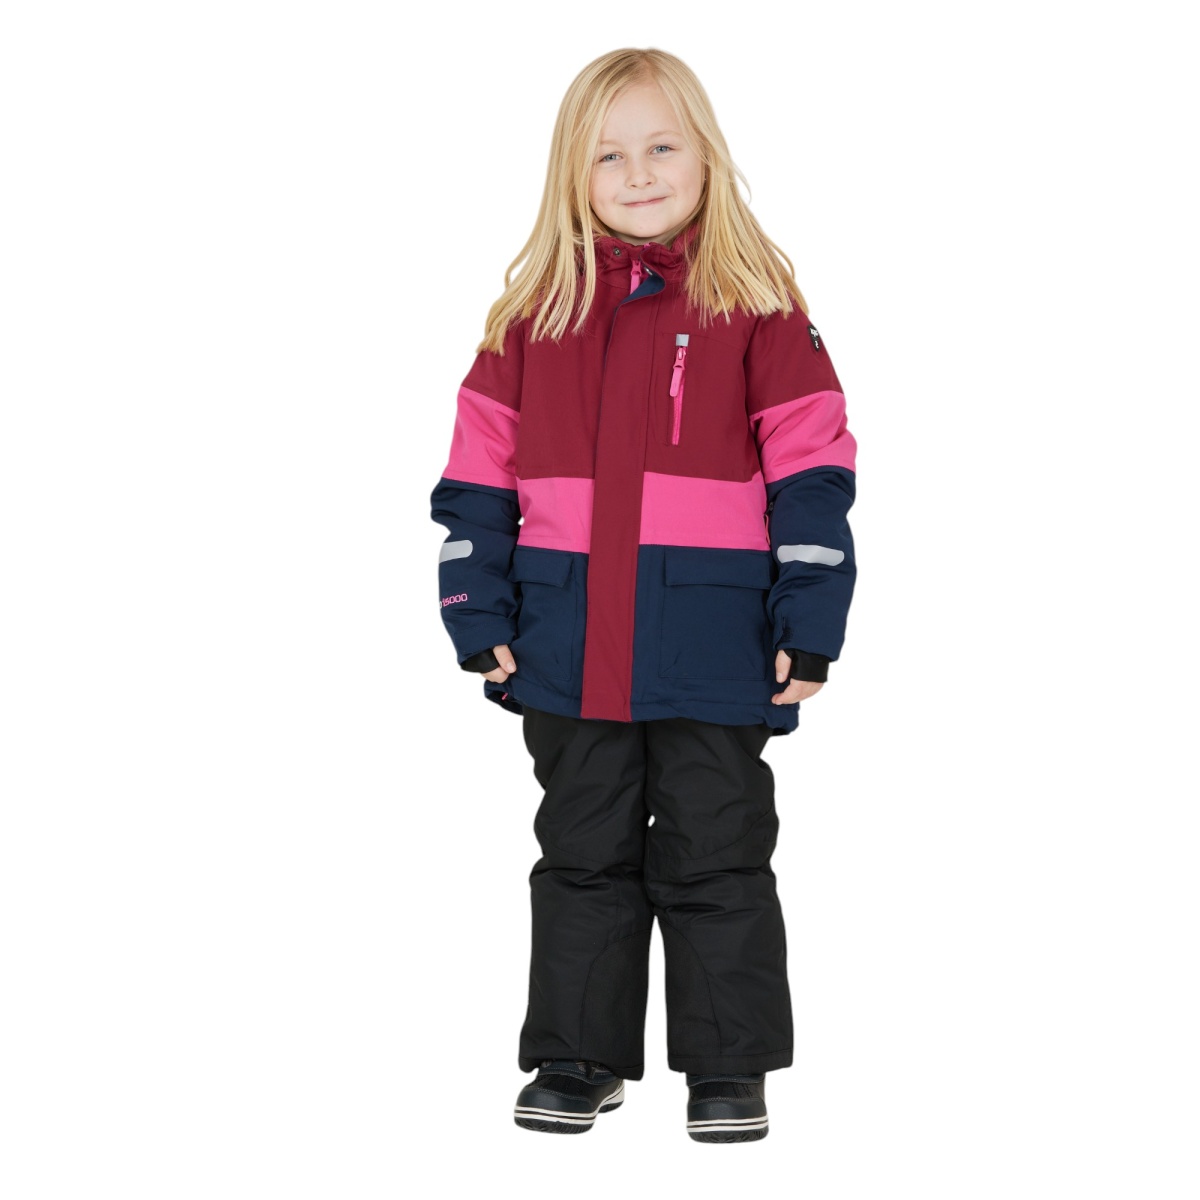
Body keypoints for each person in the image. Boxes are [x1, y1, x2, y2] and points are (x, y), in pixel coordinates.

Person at [429, 47, 857, 1143]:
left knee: (719, 850)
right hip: (566, 638)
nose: (638, 173)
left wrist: (810, 622)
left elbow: (813, 474)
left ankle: (729, 1066)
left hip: (713, 641)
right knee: (582, 852)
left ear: (705, 154)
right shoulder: (529, 322)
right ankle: (576, 1056)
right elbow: (476, 483)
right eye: (609, 155)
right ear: (572, 173)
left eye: (662, 146)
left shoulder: (758, 309)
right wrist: (477, 610)